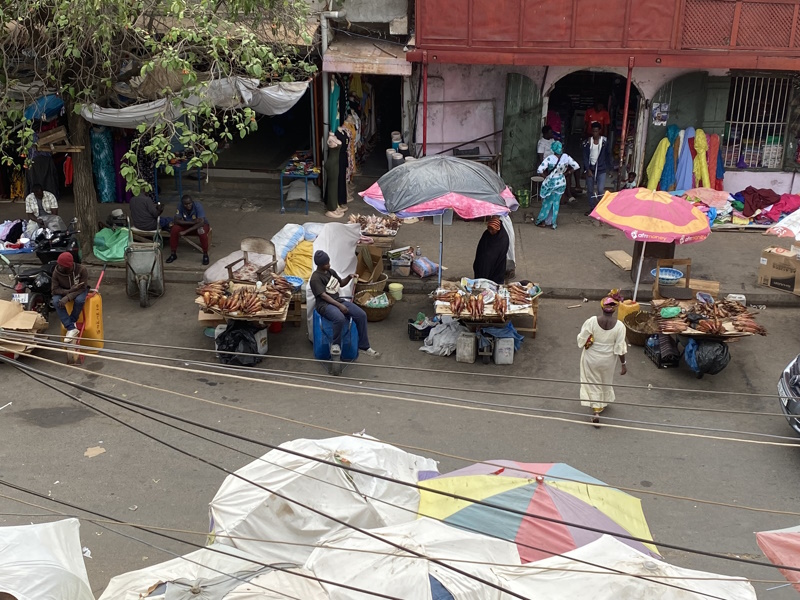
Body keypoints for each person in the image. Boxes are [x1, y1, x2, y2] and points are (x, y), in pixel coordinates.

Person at [310, 250, 380, 357]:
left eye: (329, 262)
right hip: (324, 305)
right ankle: (336, 344)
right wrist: (339, 306)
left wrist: (349, 277)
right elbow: (323, 296)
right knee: (339, 318)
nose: (329, 265)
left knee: (361, 315)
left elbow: (341, 283)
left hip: (337, 300)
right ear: (320, 265)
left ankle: (364, 346)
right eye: (326, 264)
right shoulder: (315, 278)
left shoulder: (330, 272)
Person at [577, 292, 627, 427]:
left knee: (593, 382)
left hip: (591, 357)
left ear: (601, 307)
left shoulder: (592, 321)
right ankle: (601, 404)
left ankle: (596, 411)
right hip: (608, 360)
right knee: (605, 381)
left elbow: (581, 338)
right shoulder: (620, 326)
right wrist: (623, 364)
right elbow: (620, 347)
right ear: (615, 309)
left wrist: (587, 341)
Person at [535, 141, 580, 230]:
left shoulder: (550, 158)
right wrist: (567, 173)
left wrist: (546, 177)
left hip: (551, 183)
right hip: (561, 182)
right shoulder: (566, 157)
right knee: (556, 203)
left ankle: (542, 221)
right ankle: (553, 223)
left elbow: (540, 170)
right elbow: (576, 166)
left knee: (547, 203)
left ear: (553, 149)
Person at [51, 251, 89, 341]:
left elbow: (82, 288)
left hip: (80, 290)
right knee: (56, 301)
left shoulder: (82, 270)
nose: (60, 268)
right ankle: (71, 328)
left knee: (79, 300)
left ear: (70, 266)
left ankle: (72, 321)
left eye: (63, 267)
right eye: (59, 265)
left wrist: (68, 297)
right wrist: (67, 292)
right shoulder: (56, 272)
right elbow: (54, 290)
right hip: (64, 290)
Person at [166, 195, 210, 265]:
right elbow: (176, 220)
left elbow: (201, 223)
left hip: (199, 226)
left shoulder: (198, 206)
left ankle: (205, 254)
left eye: (189, 203)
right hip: (188, 224)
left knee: (202, 231)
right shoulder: (180, 206)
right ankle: (173, 254)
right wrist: (192, 222)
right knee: (174, 229)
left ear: (192, 202)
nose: (188, 205)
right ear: (183, 204)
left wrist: (185, 231)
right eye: (186, 204)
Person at [582, 121, 613, 215]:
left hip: (601, 169)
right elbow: (585, 156)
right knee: (590, 190)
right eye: (593, 131)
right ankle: (592, 208)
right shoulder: (587, 142)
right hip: (590, 168)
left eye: (596, 131)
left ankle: (600, 209)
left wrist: (610, 168)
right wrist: (587, 169)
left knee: (600, 190)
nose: (595, 133)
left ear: (600, 131)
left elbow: (608, 155)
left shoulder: (604, 142)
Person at [473, 216, 509, 285]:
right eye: (489, 229)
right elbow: (480, 249)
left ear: (498, 228)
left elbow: (499, 254)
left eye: (493, 230)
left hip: (496, 267)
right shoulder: (486, 234)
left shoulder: (503, 239)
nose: (490, 231)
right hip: (483, 265)